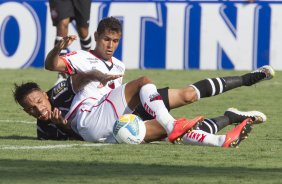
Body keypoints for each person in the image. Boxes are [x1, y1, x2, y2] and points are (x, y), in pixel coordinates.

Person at [44, 16, 274, 135]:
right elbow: (52, 65)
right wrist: (58, 48)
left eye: (115, 41)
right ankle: (231, 117)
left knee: (188, 95)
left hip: (126, 106)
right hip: (103, 116)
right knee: (182, 132)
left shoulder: (119, 65)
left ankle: (247, 79)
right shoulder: (81, 57)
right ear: (96, 36)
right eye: (106, 39)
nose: (111, 45)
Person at [13, 73, 266, 148]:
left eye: (38, 101)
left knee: (186, 99)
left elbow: (73, 74)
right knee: (147, 86)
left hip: (129, 110)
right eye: (31, 108)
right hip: (114, 114)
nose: (38, 108)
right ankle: (220, 125)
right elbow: (80, 135)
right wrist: (65, 127)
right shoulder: (46, 127)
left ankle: (226, 128)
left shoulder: (63, 90)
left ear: (45, 94)